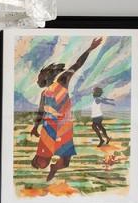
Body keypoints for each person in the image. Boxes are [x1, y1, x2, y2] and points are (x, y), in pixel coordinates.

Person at [30, 36, 103, 182]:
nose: (38, 80)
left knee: (66, 161)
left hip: (63, 125)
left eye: (40, 76)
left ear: (47, 75)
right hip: (50, 126)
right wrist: (35, 126)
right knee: (43, 161)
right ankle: (42, 162)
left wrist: (89, 48)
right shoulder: (44, 93)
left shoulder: (62, 80)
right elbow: (40, 111)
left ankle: (54, 168)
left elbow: (77, 64)